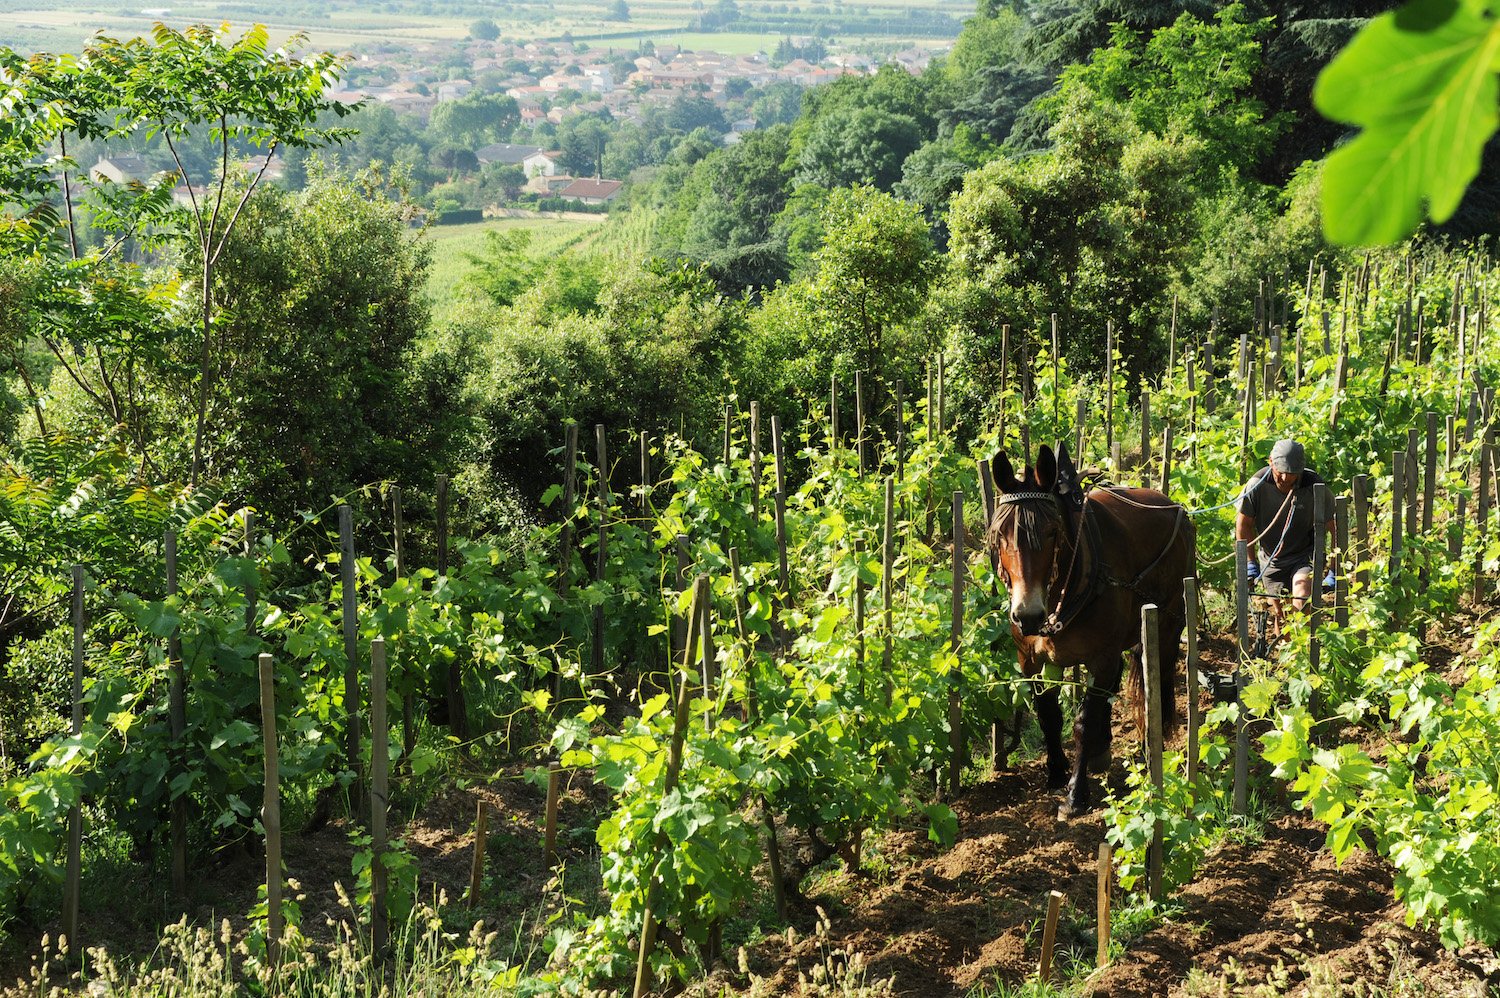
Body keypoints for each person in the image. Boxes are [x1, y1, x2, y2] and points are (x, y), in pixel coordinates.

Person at [1235, 438, 1335, 612]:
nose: (1284, 478)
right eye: (1280, 471)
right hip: (1271, 561)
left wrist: (1334, 569)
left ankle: (1302, 637)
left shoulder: (1314, 486)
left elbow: (1335, 528)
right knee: (1281, 614)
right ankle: (1285, 638)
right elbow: (1243, 526)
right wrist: (1250, 562)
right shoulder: (1257, 485)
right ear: (1270, 462)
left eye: (1291, 474)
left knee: (1301, 598)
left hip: (1303, 555)